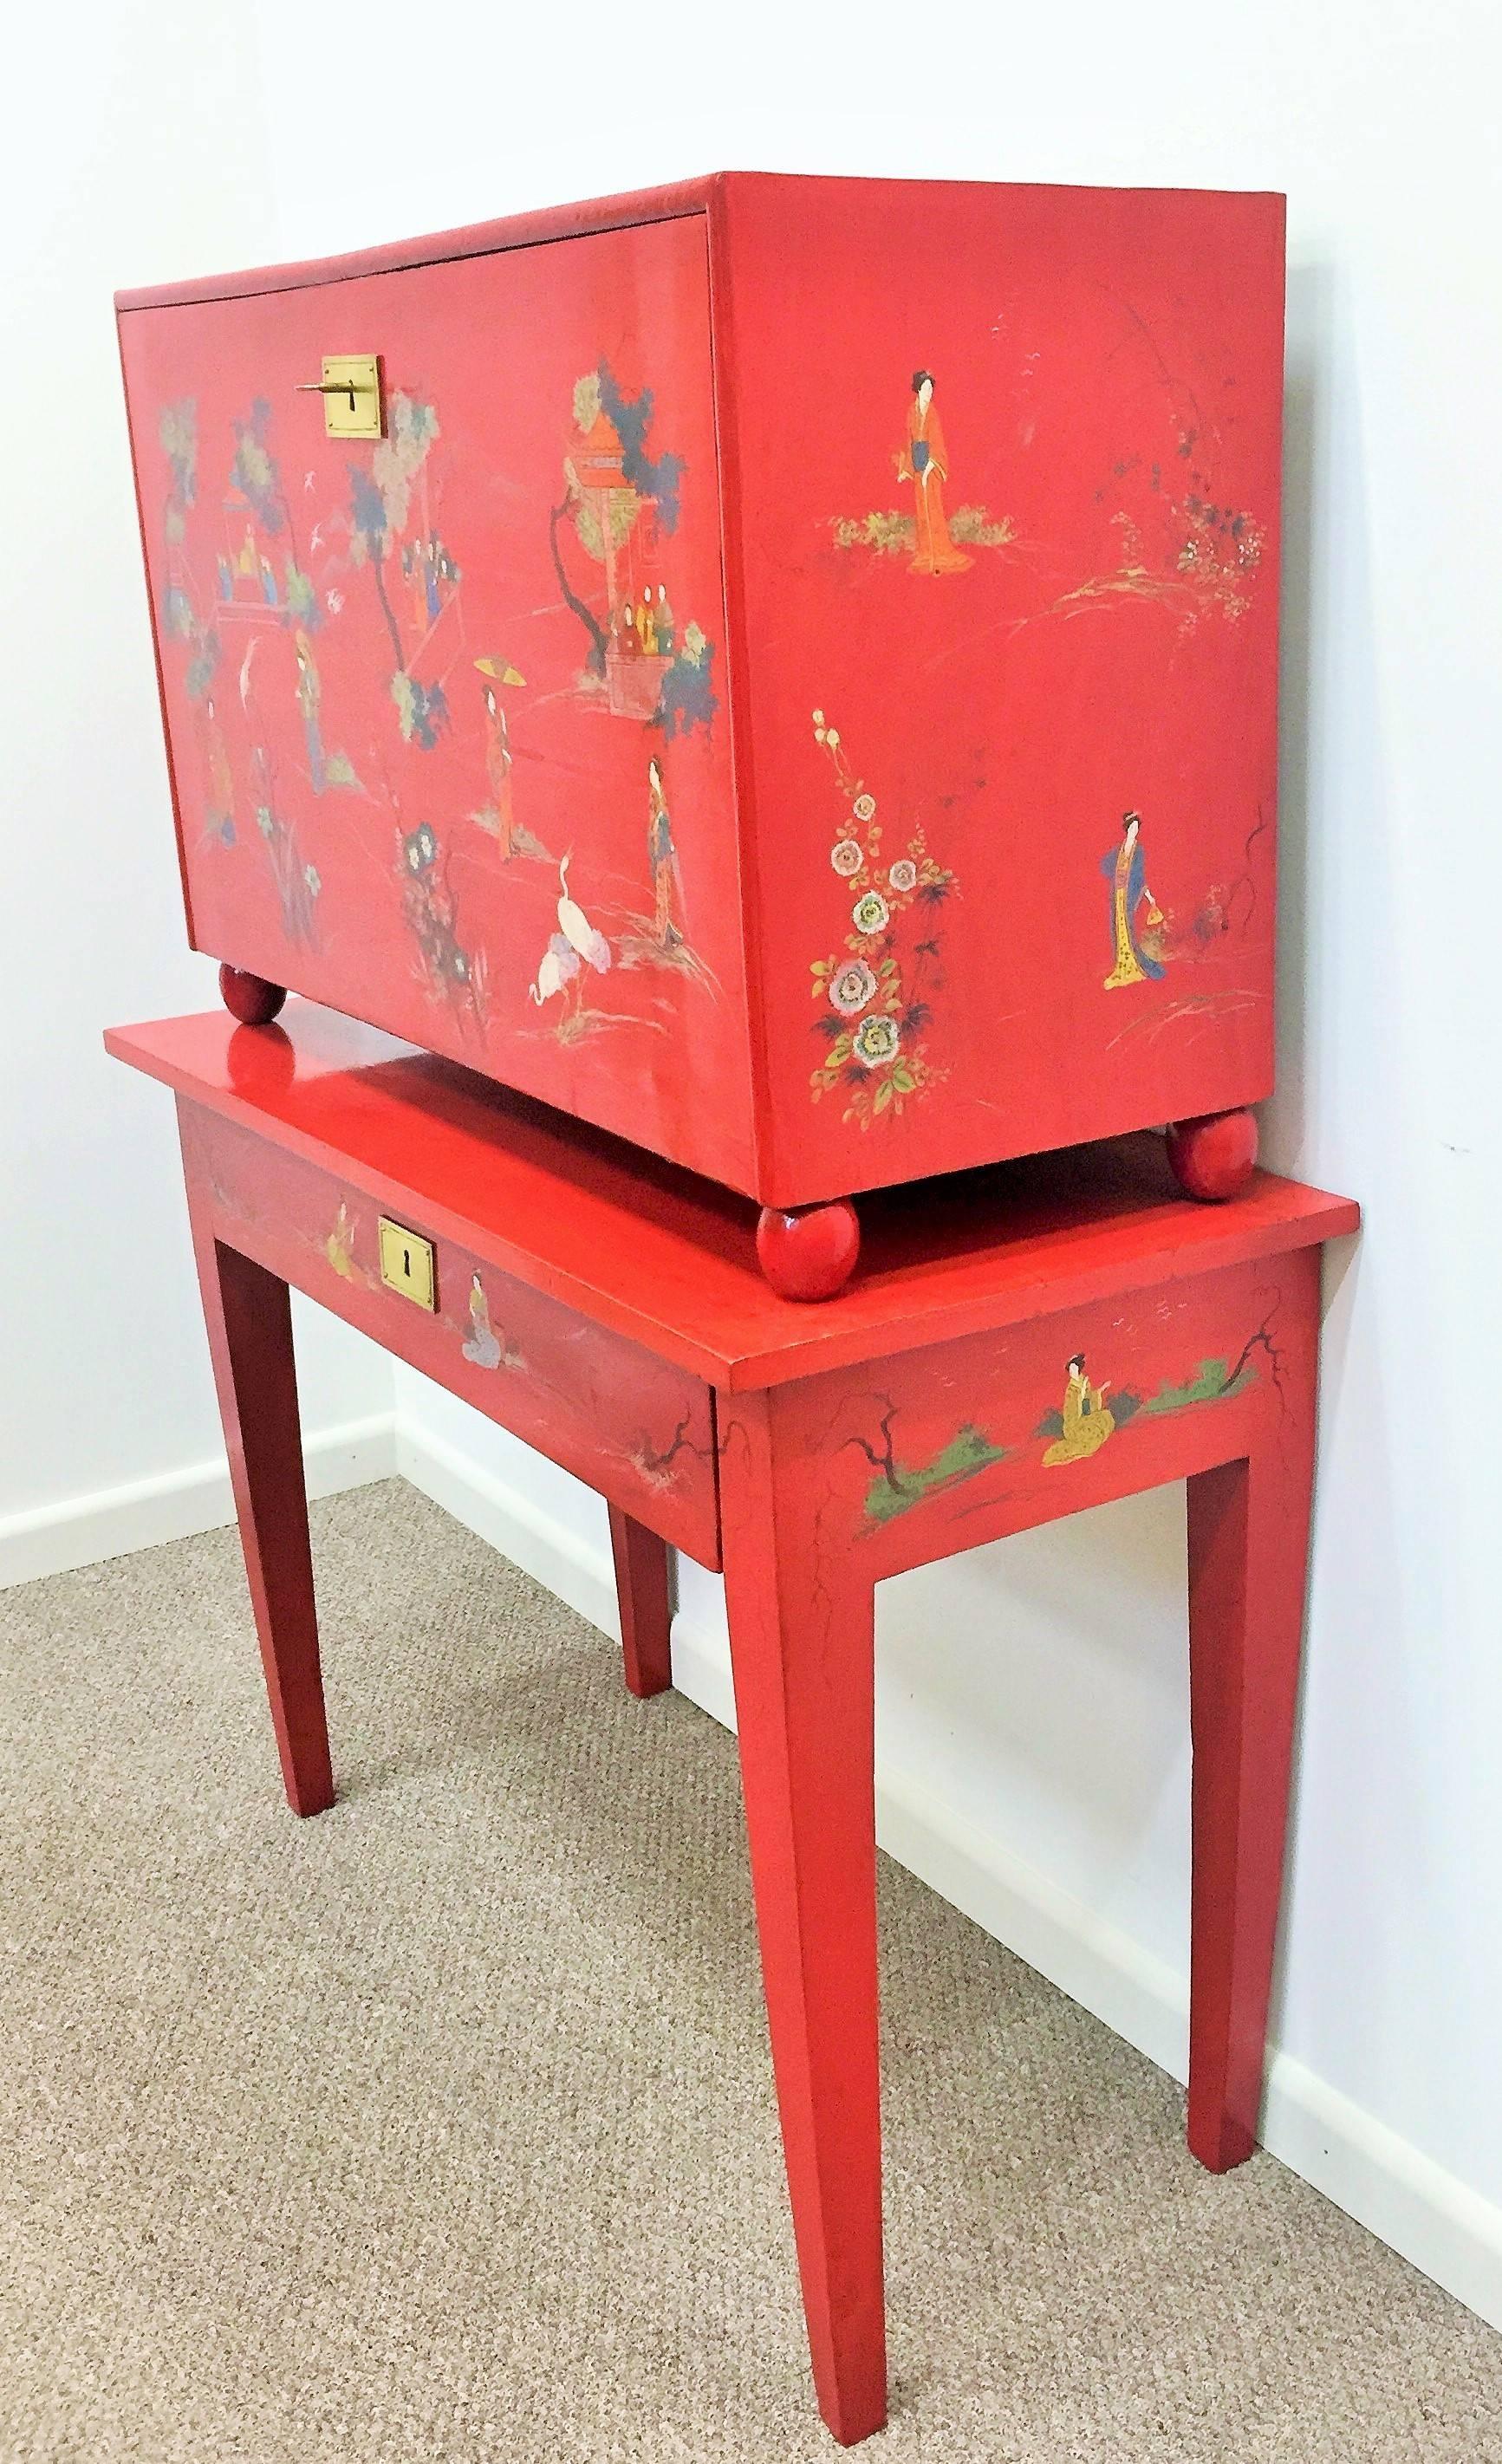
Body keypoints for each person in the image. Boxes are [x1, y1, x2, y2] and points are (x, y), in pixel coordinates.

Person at [896, 372, 972, 575]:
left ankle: (938, 551)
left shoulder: (933, 414)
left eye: (931, 389)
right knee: (921, 509)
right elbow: (908, 441)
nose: (929, 393)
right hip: (917, 464)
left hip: (931, 467)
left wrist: (931, 466)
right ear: (918, 389)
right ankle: (925, 552)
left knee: (934, 508)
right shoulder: (911, 413)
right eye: (926, 388)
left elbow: (937, 444)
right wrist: (906, 469)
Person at [1101, 810, 1166, 988]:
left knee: (1128, 930)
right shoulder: (1118, 851)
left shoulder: (1139, 852)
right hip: (1117, 896)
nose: (1135, 830)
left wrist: (1149, 897)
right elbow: (1104, 866)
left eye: (1137, 827)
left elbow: (1140, 876)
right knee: (1118, 929)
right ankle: (1121, 965)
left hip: (1129, 895)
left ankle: (1134, 965)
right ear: (1127, 828)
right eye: (1132, 827)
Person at [1042, 1355, 1116, 1466]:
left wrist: (1049, 1459)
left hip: (1083, 1434)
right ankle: (1077, 1378)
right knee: (1079, 1402)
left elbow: (1064, 1451)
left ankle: (1076, 1378)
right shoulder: (1101, 1422)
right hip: (1088, 1433)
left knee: (1075, 1406)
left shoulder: (1082, 1434)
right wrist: (1099, 1393)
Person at [647, 756, 681, 946]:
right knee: (661, 890)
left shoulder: (661, 795)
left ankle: (668, 927)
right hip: (659, 851)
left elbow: (665, 822)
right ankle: (662, 932)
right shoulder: (654, 797)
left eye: (654, 771)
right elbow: (653, 829)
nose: (652, 775)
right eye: (650, 772)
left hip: (665, 850)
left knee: (667, 889)